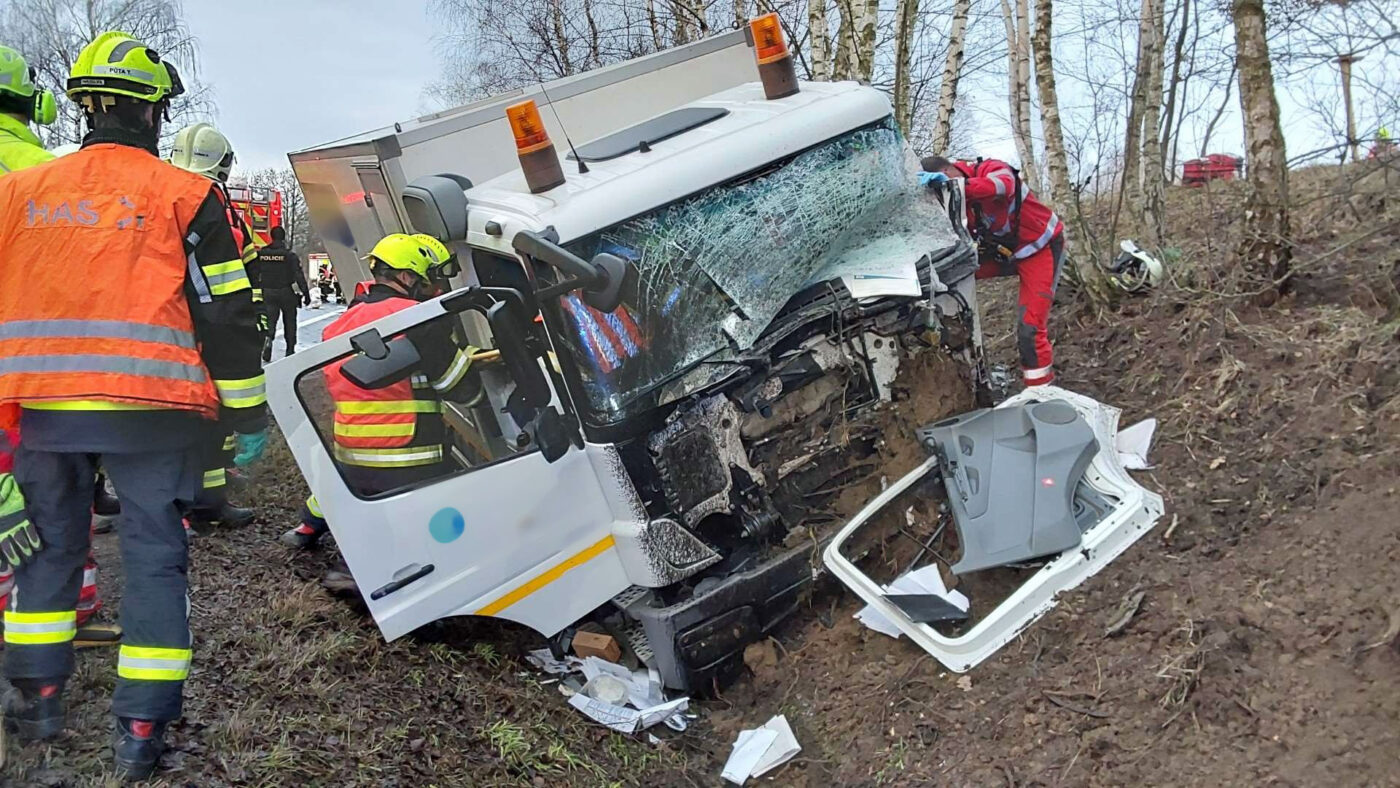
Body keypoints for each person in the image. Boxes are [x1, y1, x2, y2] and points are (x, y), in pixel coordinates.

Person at [0, 32, 267, 779]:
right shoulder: (188, 194)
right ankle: (141, 730)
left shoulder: (16, 194)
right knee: (154, 558)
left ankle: (36, 700)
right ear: (153, 114)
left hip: (44, 412)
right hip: (153, 411)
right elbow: (226, 316)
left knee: (51, 550)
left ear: (83, 107)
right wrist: (245, 417)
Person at [0, 45, 119, 649]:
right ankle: (63, 616)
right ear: (32, 99)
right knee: (48, 497)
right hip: (32, 370)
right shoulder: (40, 172)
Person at [282, 233, 479, 550]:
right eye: (432, 278)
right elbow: (463, 390)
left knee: (341, 495)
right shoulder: (416, 317)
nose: (438, 289)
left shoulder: (343, 323)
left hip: (351, 455)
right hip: (411, 458)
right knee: (451, 530)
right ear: (407, 276)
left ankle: (308, 525)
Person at [169, 122, 263, 530]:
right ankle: (194, 507)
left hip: (161, 337)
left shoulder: (158, 196)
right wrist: (251, 411)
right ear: (222, 167)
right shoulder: (205, 205)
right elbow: (223, 296)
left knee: (200, 427)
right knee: (201, 423)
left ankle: (203, 502)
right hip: (199, 337)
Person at [920, 155, 1065, 386]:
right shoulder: (950, 199)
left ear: (949, 171)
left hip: (1040, 248)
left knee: (1030, 329)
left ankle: (1042, 393)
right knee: (948, 279)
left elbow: (1003, 185)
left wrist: (958, 188)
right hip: (1004, 252)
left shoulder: (989, 169)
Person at [250, 224, 309, 359]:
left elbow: (253, 273)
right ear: (283, 238)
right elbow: (298, 275)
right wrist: (305, 293)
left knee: (269, 321)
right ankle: (290, 349)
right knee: (290, 321)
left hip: (268, 292)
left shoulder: (261, 254)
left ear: (271, 237)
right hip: (286, 292)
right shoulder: (289, 256)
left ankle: (268, 340)